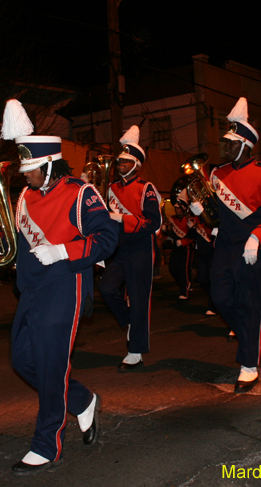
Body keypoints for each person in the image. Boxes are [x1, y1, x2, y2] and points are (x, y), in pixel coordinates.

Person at [1, 99, 118, 475]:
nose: (26, 176)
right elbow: (16, 242)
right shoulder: (25, 196)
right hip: (32, 289)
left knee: (51, 368)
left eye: (31, 169)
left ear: (50, 164)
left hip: (65, 287)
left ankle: (47, 444)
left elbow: (107, 238)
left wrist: (64, 251)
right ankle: (82, 399)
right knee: (22, 360)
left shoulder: (81, 193)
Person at [186, 97, 261, 393]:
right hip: (225, 247)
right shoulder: (217, 173)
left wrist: (258, 237)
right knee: (219, 298)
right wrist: (201, 212)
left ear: (245, 145)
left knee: (249, 303)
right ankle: (251, 334)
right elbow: (217, 215)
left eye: (230, 143)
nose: (224, 147)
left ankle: (248, 365)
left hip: (252, 248)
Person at [98, 125, 161, 370]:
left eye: (125, 161)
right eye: (119, 161)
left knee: (138, 298)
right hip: (118, 248)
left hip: (141, 248)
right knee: (106, 287)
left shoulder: (146, 189)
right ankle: (130, 321)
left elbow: (153, 223)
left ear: (136, 164)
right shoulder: (111, 188)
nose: (120, 164)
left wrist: (122, 219)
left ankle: (135, 351)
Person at [164, 201, 195, 300]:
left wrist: (183, 242)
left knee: (183, 270)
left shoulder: (189, 219)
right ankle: (185, 283)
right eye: (175, 208)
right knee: (172, 268)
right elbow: (171, 234)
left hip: (186, 247)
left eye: (178, 208)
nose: (176, 210)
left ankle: (184, 291)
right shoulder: (173, 219)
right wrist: (165, 230)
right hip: (176, 247)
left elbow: (193, 235)